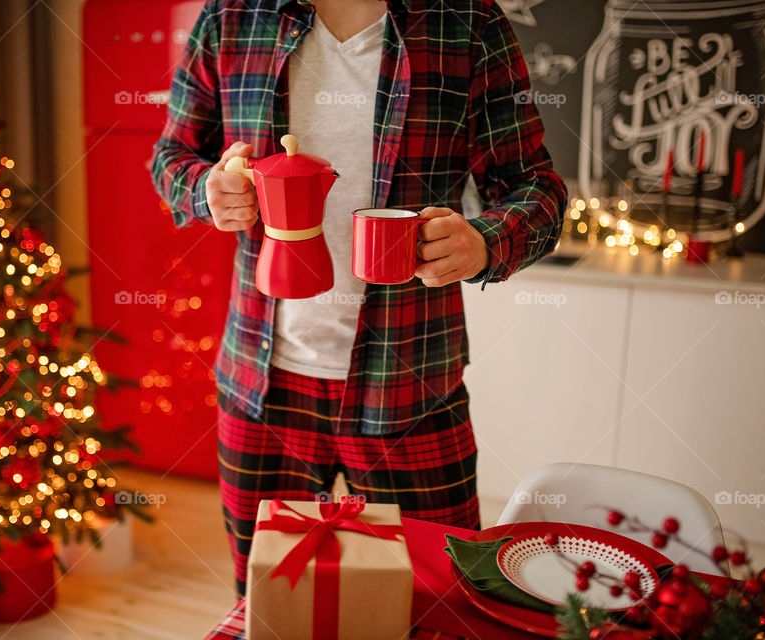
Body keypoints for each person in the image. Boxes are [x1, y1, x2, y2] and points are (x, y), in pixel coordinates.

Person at [152, 0, 567, 596]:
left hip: (412, 384)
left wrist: (483, 241)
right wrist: (204, 190)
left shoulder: (466, 19)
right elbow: (171, 157)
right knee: (274, 605)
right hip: (262, 387)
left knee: (442, 599)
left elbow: (537, 185)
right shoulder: (232, 16)